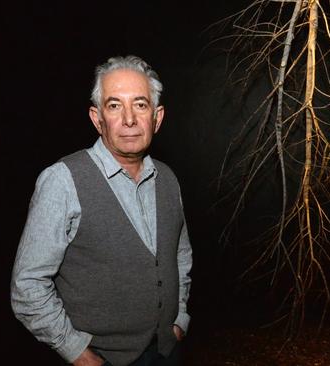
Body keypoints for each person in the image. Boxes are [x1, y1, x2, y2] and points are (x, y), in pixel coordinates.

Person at [11, 55, 193, 366]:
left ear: (157, 117)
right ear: (97, 119)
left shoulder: (168, 179)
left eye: (140, 104)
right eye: (114, 105)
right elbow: (27, 285)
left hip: (165, 351)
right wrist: (77, 352)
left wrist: (179, 320)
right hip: (100, 359)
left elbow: (180, 254)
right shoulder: (62, 180)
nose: (129, 119)